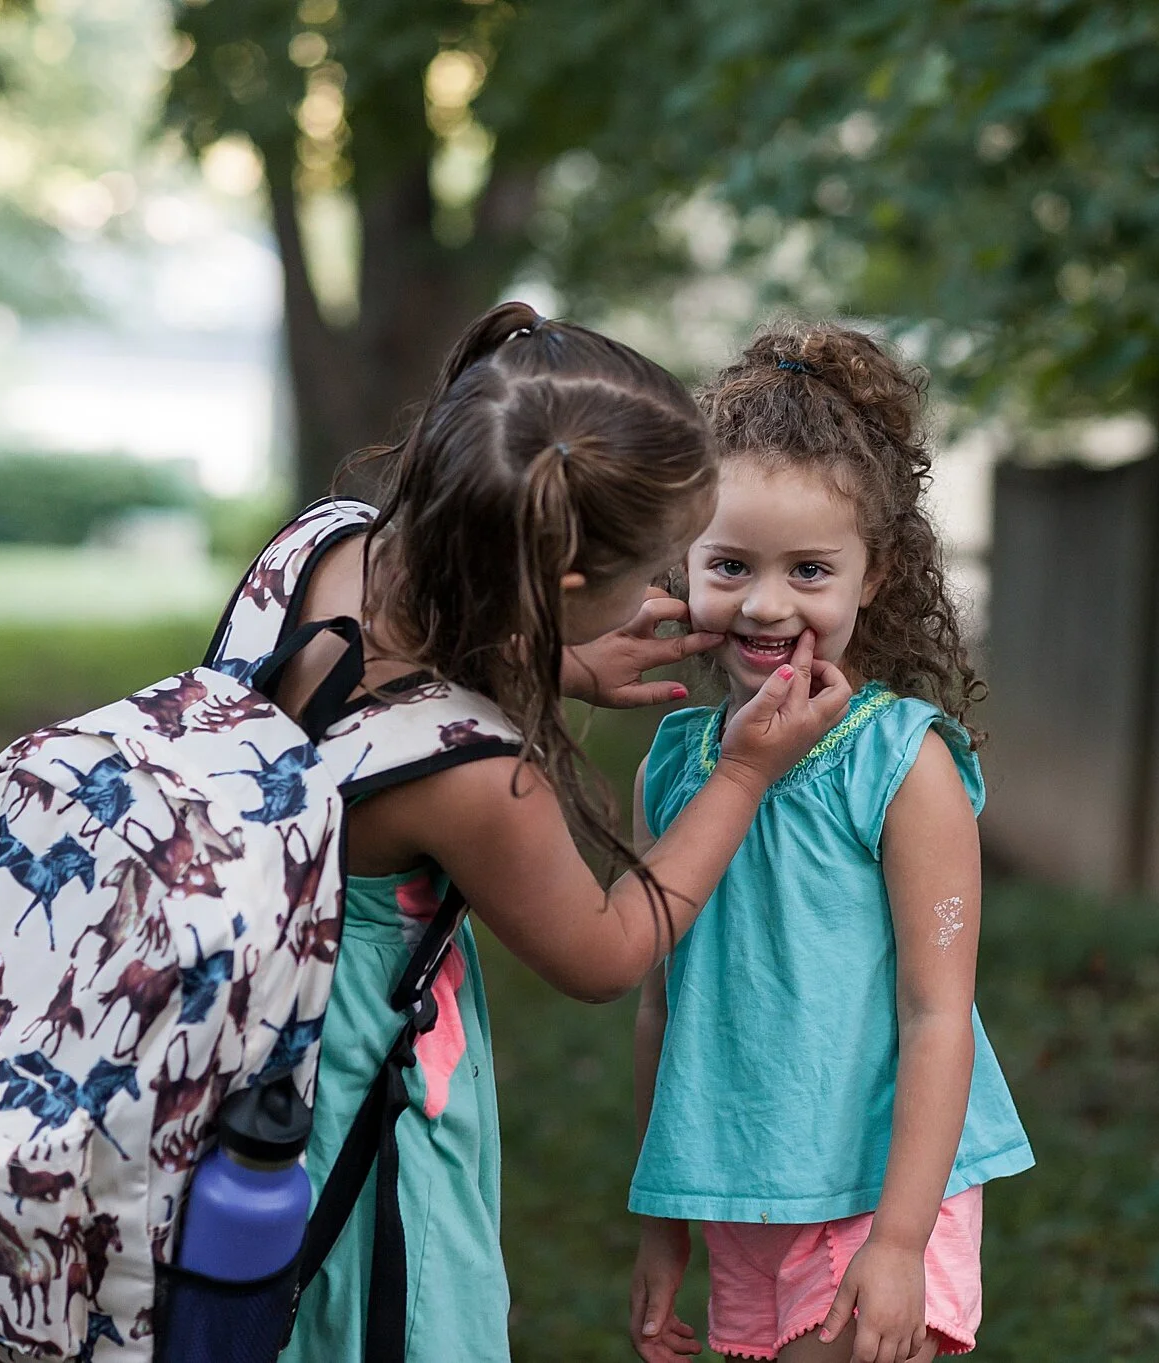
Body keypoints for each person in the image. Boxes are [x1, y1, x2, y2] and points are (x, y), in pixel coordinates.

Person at [263, 302, 854, 1363]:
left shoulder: (325, 544)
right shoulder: (473, 776)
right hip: (352, 1110)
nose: (673, 590)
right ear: (566, 585)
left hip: (238, 1054)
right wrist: (743, 774)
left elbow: (367, 692)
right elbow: (608, 950)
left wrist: (553, 663)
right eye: (657, 568)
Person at [628, 325, 1035, 1363]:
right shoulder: (676, 770)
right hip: (742, 1188)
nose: (766, 603)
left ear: (874, 572)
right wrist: (661, 1222)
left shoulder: (900, 766)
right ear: (683, 556)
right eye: (729, 564)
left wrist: (899, 1242)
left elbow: (938, 1010)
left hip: (879, 1193)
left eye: (809, 568)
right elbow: (658, 1004)